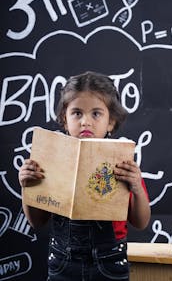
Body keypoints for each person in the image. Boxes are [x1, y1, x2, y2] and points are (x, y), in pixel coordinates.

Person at [18, 71, 151, 281]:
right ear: (64, 119)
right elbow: (36, 221)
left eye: (96, 114)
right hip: (62, 262)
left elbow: (141, 222)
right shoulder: (51, 157)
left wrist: (135, 186)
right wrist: (27, 186)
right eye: (77, 113)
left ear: (111, 122)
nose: (85, 122)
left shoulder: (122, 160)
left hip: (109, 263)